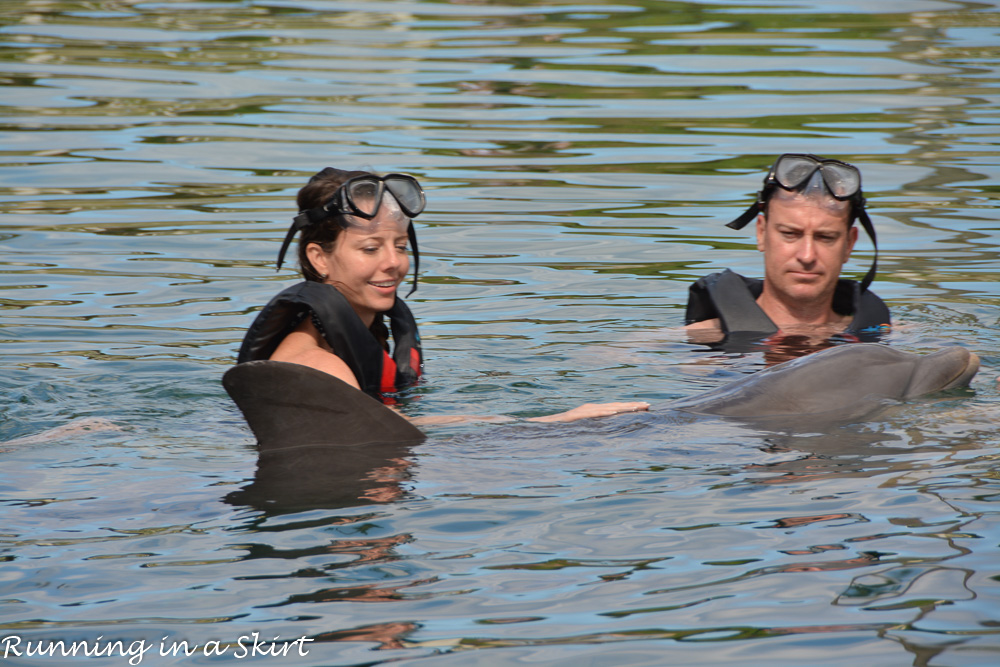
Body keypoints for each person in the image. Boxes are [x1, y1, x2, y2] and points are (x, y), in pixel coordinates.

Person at [235, 167, 647, 424]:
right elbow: (396, 431)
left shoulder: (366, 336)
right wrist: (559, 420)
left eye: (399, 245)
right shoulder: (316, 364)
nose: (393, 263)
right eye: (370, 249)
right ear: (319, 259)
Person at [684, 154, 890, 353]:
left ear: (849, 244)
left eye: (825, 237)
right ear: (761, 233)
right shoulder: (693, 345)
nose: (807, 256)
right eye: (790, 234)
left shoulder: (887, 337)